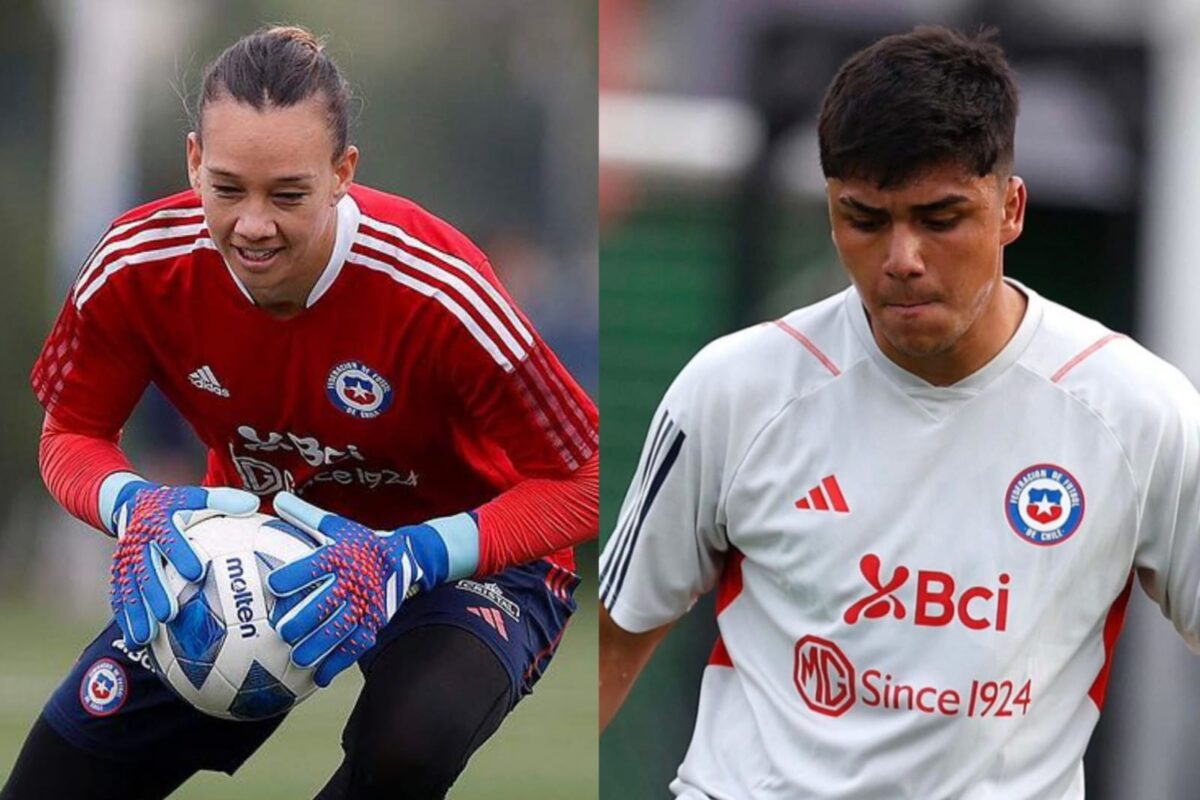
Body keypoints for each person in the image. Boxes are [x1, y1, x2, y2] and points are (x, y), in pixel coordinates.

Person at [599, 25, 1200, 799]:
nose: (902, 259)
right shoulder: (734, 390)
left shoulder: (1138, 413)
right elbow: (616, 637)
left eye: (941, 218)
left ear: (1010, 208)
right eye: (866, 219)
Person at [3, 24, 597, 800]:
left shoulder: (440, 287)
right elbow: (72, 432)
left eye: (288, 194)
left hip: (464, 558)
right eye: (226, 189)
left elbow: (582, 477)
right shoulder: (137, 266)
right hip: (255, 545)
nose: (253, 224)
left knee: (409, 747)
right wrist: (135, 505)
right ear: (193, 162)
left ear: (343, 172)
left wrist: (410, 556)